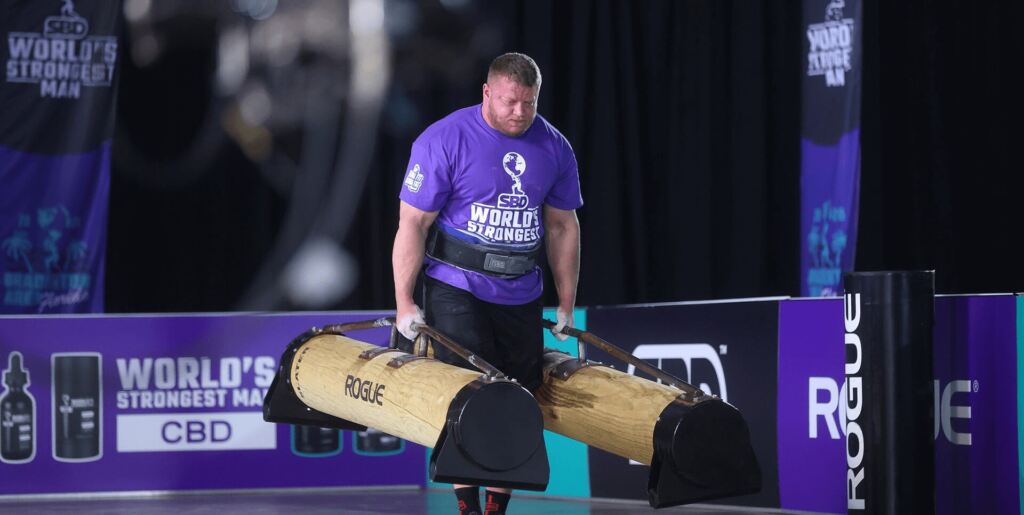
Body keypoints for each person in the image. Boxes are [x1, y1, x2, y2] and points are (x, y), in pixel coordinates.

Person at [391, 52, 582, 515]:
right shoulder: (444, 140)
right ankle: (466, 505)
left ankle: (496, 505)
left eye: (529, 103)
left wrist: (565, 303)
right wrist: (403, 304)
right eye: (510, 101)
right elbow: (412, 224)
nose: (519, 112)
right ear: (487, 93)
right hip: (456, 285)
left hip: (521, 288)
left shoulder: (555, 147)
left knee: (519, 395)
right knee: (469, 389)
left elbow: (562, 227)